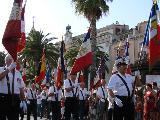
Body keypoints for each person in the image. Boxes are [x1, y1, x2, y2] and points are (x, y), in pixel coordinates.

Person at [0, 54, 25, 120]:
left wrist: (23, 101)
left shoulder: (18, 73)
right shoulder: (1, 69)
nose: (15, 62)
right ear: (7, 61)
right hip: (3, 99)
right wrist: (9, 69)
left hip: (15, 99)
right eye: (13, 60)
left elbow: (21, 88)